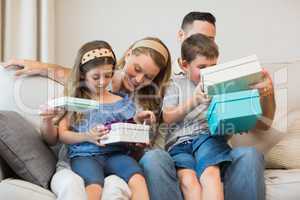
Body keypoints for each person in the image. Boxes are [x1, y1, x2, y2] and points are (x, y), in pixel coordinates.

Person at [4, 12, 276, 200]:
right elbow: (80, 74)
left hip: (206, 146)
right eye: (135, 71)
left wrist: (264, 93)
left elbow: (262, 122)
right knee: (153, 164)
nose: (139, 79)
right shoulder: (106, 80)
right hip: (132, 154)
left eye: (210, 41)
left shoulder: (162, 89)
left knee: (248, 155)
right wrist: (42, 66)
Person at [57, 40, 154, 200]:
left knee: (138, 179)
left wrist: (138, 121)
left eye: (108, 75)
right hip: (85, 155)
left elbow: (127, 127)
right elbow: (62, 134)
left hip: (116, 154)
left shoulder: (120, 100)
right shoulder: (75, 101)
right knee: (94, 186)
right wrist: (88, 136)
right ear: (82, 74)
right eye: (96, 77)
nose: (103, 82)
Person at [163, 33, 232, 200]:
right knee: (188, 181)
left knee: (210, 175)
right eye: (202, 67)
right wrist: (194, 100)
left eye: (212, 66)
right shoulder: (174, 84)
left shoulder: (220, 84)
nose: (208, 72)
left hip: (207, 138)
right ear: (185, 65)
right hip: (178, 144)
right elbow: (167, 117)